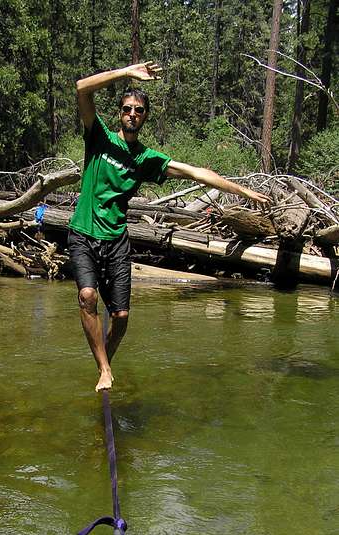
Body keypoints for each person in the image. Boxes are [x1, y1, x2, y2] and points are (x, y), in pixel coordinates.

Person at [68, 62, 272, 392]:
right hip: (83, 234)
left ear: (145, 116)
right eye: (127, 109)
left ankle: (105, 359)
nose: (132, 114)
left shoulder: (147, 159)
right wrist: (127, 74)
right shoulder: (99, 138)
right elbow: (81, 87)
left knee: (120, 318)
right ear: (120, 112)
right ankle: (104, 368)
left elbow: (198, 173)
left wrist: (245, 191)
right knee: (87, 295)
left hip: (116, 240)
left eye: (138, 111)